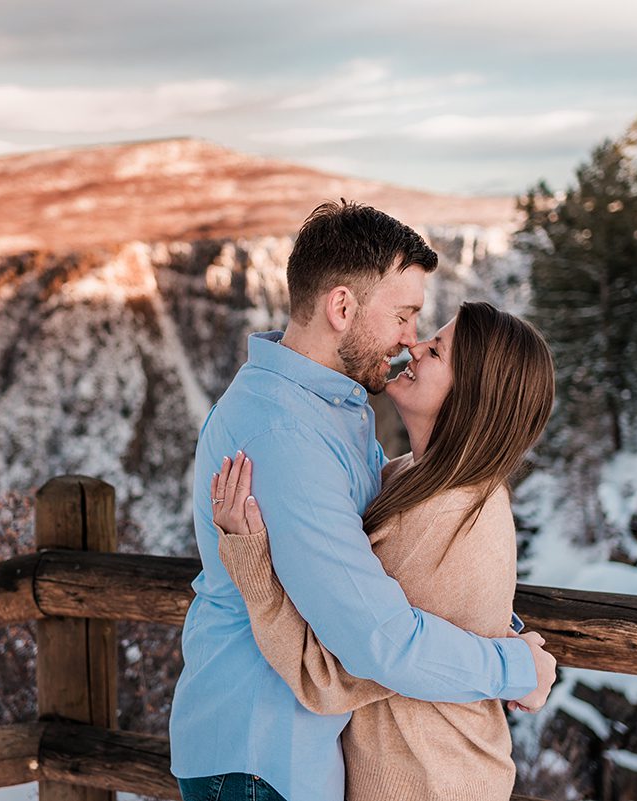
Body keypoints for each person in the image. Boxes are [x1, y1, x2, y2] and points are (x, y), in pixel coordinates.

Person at [168, 201, 556, 801]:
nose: (411, 338)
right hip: (263, 748)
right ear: (342, 307)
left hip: (305, 750)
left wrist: (493, 628)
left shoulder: (334, 410)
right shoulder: (286, 435)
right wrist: (512, 667)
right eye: (403, 315)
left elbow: (416, 577)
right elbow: (378, 641)